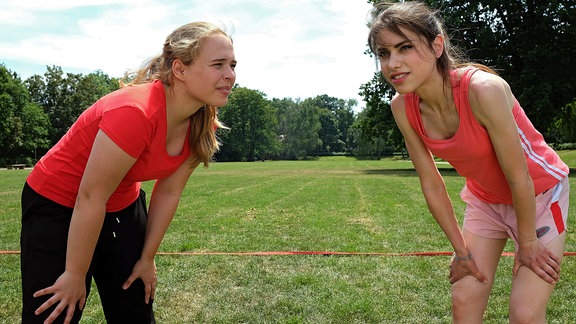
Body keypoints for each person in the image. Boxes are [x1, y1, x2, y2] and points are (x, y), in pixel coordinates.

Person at [20, 21, 236, 323]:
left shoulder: (202, 124)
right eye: (218, 65)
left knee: (135, 307)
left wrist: (146, 259)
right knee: (56, 312)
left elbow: (169, 191)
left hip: (121, 203)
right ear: (180, 69)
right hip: (58, 202)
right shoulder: (135, 112)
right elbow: (91, 195)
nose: (230, 75)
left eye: (232, 65)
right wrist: (74, 273)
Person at [368, 2, 569, 323]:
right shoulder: (402, 107)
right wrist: (461, 252)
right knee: (464, 300)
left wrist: (527, 242)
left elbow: (519, 176)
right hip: (486, 199)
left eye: (405, 47)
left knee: (525, 314)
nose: (393, 63)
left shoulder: (484, 90)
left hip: (539, 194)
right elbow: (431, 182)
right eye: (383, 53)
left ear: (437, 46)